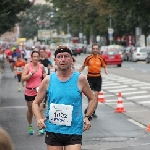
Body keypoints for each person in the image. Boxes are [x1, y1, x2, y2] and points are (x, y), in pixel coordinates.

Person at [32, 46, 97, 150]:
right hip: (53, 129)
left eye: (66, 56)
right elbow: (35, 103)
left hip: (74, 130)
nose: (63, 59)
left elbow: (93, 98)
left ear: (71, 60)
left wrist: (87, 117)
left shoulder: (80, 79)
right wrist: (38, 119)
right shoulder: (48, 80)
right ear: (55, 61)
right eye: (60, 57)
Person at [79, 43, 108, 118]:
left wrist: (106, 70)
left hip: (98, 78)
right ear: (92, 50)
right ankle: (90, 110)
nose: (95, 50)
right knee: (90, 95)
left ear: (98, 50)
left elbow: (105, 66)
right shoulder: (88, 58)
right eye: (93, 49)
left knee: (96, 96)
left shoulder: (100, 58)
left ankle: (93, 110)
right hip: (90, 78)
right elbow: (83, 66)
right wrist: (77, 73)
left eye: (96, 49)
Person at [22, 51, 46, 135]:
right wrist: (30, 74)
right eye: (34, 56)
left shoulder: (41, 66)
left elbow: (44, 74)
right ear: (31, 57)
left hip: (39, 91)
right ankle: (30, 125)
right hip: (29, 91)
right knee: (31, 110)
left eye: (37, 56)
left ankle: (40, 126)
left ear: (39, 57)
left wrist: (45, 76)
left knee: (40, 109)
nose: (36, 58)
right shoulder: (27, 66)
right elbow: (23, 79)